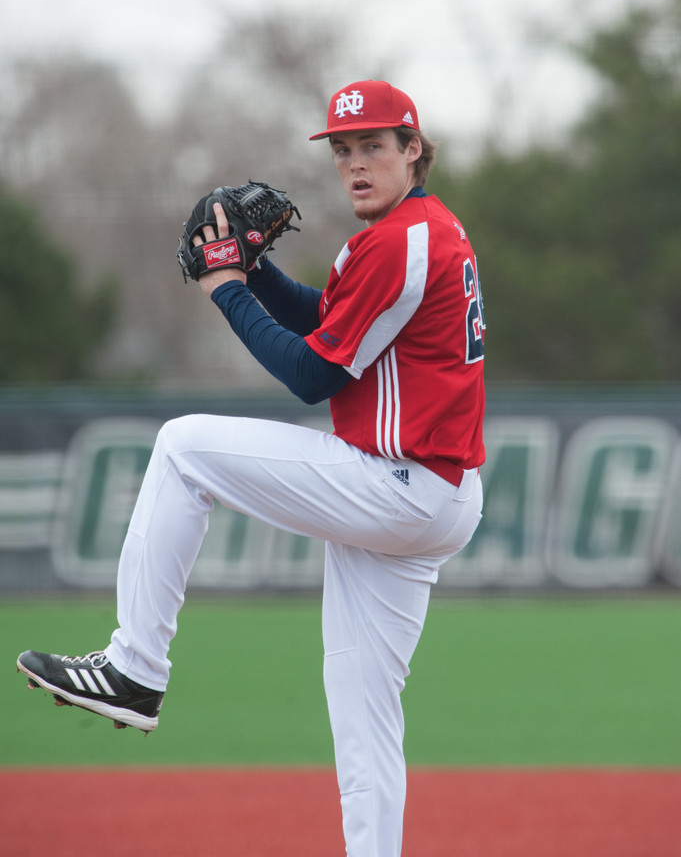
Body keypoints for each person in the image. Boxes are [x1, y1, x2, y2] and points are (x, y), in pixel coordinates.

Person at [17, 79, 486, 857]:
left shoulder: (400, 241)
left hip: (396, 483)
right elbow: (329, 319)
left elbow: (310, 375)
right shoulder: (418, 231)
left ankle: (134, 668)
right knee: (363, 715)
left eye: (373, 145)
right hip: (432, 492)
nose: (355, 163)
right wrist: (256, 269)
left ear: (413, 150)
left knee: (183, 447)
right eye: (343, 149)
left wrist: (227, 286)